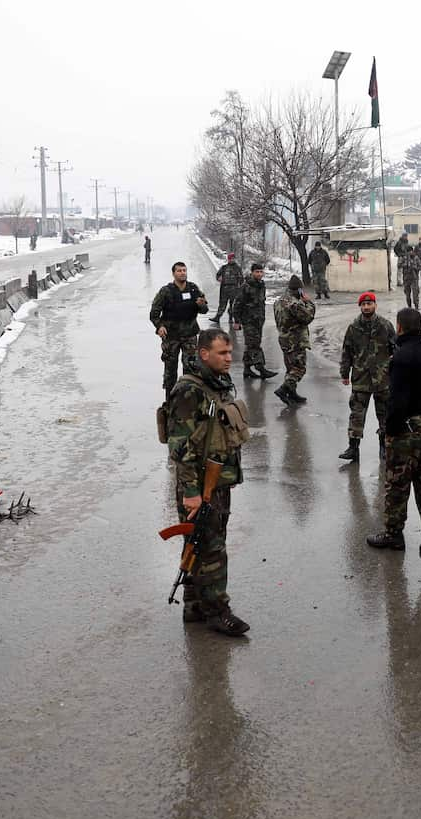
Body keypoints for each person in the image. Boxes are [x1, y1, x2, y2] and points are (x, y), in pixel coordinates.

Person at [166, 330, 252, 636]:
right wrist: (191, 493)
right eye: (222, 353)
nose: (229, 358)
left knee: (199, 544)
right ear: (204, 354)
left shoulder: (218, 382)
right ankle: (218, 611)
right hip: (199, 485)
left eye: (230, 352)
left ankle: (194, 605)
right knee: (212, 548)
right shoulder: (189, 391)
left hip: (217, 481)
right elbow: (179, 445)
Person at [366, 308, 421, 561]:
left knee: (397, 482)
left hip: (409, 428)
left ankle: (393, 534)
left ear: (399, 327)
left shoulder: (402, 357)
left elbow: (397, 400)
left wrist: (389, 430)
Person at [338, 291, 397, 462]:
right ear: (360, 307)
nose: (366, 307)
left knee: (385, 414)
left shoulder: (385, 326)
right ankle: (353, 448)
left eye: (369, 304)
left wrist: (395, 371)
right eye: (363, 305)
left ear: (375, 305)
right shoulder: (354, 327)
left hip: (383, 379)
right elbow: (346, 352)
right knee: (356, 414)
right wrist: (344, 373)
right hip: (361, 378)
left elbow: (396, 349)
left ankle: (384, 447)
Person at [150, 262, 209, 395]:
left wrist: (201, 305)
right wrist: (159, 326)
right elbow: (154, 313)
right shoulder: (166, 291)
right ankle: (170, 401)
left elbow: (205, 310)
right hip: (171, 337)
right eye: (179, 271)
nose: (182, 273)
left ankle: (187, 400)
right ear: (173, 273)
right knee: (170, 371)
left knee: (191, 369)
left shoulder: (194, 289)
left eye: (184, 270)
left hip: (190, 336)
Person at [272, 275, 316, 406]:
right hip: (295, 340)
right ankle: (283, 389)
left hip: (284, 338)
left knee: (290, 367)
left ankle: (292, 393)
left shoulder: (280, 300)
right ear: (299, 290)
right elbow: (308, 317)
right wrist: (309, 302)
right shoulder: (294, 303)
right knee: (299, 368)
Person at [230, 263, 278, 381]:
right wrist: (237, 321)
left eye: (261, 272)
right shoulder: (246, 286)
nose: (259, 274)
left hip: (259, 320)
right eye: (257, 272)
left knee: (251, 344)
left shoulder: (261, 285)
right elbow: (237, 304)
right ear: (252, 272)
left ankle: (247, 369)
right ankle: (261, 368)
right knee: (255, 345)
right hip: (248, 320)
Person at [212, 253, 243, 325]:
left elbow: (241, 279)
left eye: (233, 258)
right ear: (228, 259)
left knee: (233, 304)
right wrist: (219, 278)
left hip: (234, 289)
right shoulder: (224, 267)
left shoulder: (238, 268)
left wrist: (240, 288)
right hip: (224, 288)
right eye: (230, 258)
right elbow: (218, 275)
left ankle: (231, 318)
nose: (232, 260)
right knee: (222, 304)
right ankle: (217, 317)